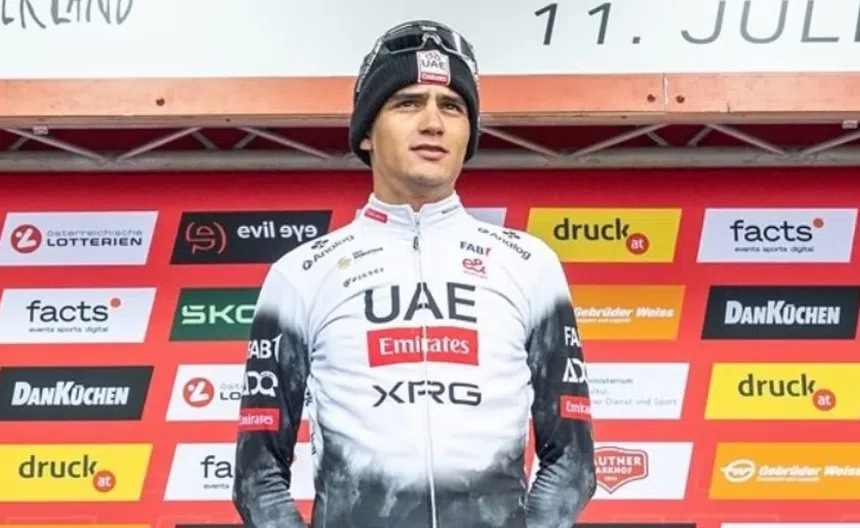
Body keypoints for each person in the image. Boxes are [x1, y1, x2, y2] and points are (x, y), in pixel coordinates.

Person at [232, 20, 596, 528]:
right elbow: (256, 478)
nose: (433, 122)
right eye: (407, 103)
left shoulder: (529, 265)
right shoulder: (301, 274)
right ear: (366, 134)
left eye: (452, 106)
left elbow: (573, 463)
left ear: (469, 134)